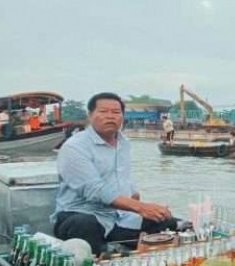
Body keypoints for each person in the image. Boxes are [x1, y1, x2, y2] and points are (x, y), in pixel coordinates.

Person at [53, 92, 177, 255]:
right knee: (85, 224)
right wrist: (140, 207)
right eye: (103, 112)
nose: (110, 117)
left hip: (117, 217)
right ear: (90, 115)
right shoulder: (74, 147)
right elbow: (94, 190)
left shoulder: (123, 143)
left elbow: (121, 177)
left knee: (165, 221)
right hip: (79, 215)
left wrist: (138, 199)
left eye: (116, 112)